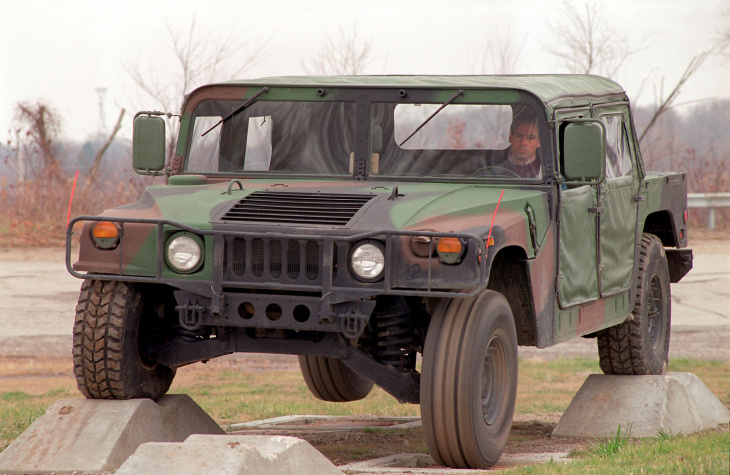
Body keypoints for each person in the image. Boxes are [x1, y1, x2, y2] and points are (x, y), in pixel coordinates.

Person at [499, 107, 542, 178]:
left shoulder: (548, 176)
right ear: (510, 137)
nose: (523, 142)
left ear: (538, 142)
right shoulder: (492, 171)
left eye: (530, 137)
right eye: (518, 136)